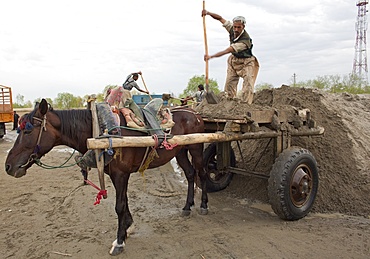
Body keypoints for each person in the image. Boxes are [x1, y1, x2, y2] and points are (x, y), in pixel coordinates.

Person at [202, 10, 259, 104]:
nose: (236, 29)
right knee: (229, 84)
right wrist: (208, 13)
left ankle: (245, 105)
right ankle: (229, 103)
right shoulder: (232, 28)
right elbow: (220, 18)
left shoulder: (245, 41)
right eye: (235, 27)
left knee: (248, 83)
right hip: (233, 60)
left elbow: (228, 50)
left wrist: (211, 56)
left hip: (247, 62)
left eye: (239, 27)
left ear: (243, 27)